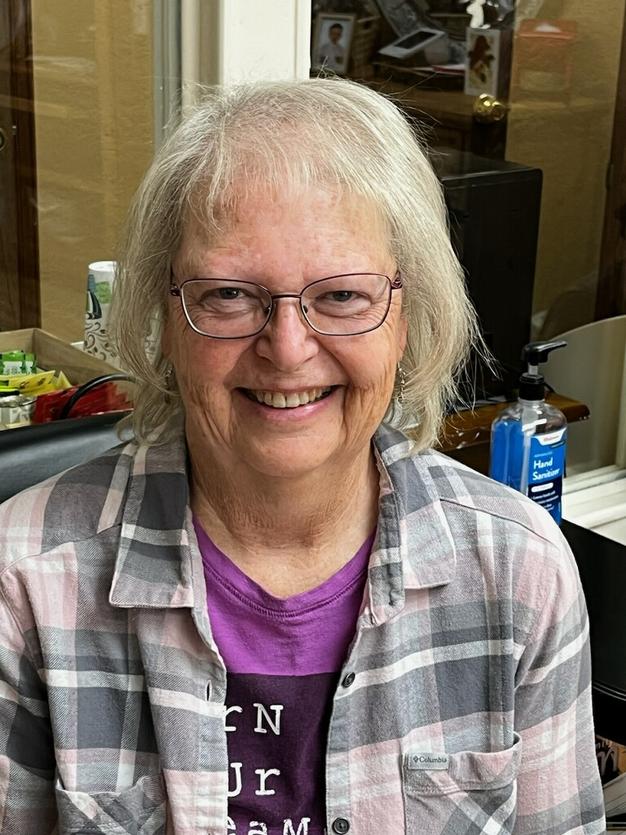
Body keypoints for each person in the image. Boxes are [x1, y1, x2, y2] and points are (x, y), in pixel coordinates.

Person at [0, 78, 604, 835]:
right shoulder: (23, 582)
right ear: (165, 315)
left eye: (343, 296)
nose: (287, 350)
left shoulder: (519, 569)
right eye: (228, 294)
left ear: (407, 316)